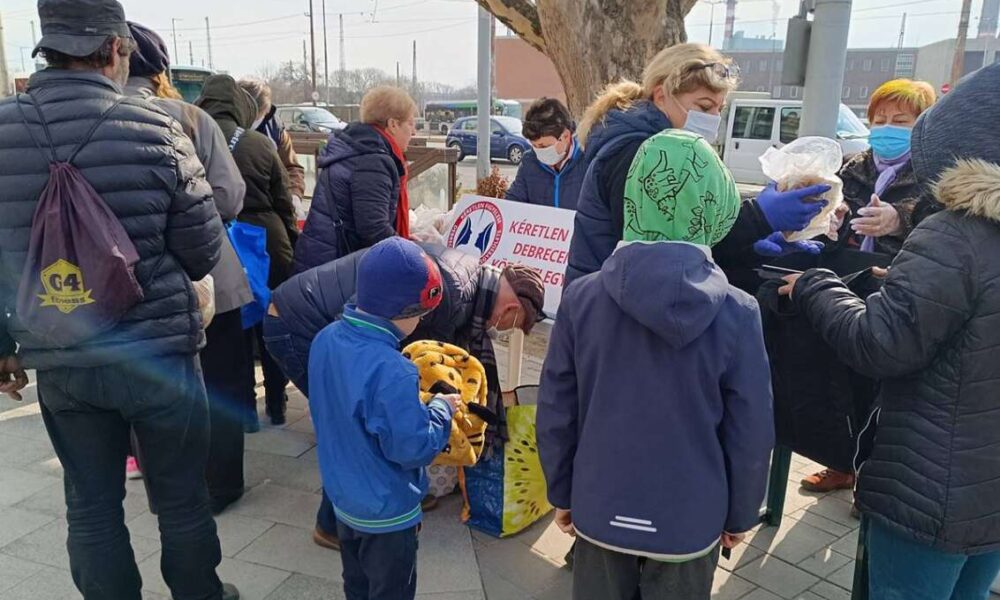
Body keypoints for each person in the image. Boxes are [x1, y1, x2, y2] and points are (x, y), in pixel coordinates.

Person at [0, 1, 238, 598]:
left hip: (62, 359)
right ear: (113, 49)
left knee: (90, 505)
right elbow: (203, 252)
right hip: (158, 353)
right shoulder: (158, 128)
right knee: (182, 499)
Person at [778, 62, 1000, 600]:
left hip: (930, 488)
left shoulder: (954, 233)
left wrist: (814, 286)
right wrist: (897, 285)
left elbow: (880, 345)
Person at [539, 129, 774, 600]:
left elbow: (557, 409)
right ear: (715, 203)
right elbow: (750, 430)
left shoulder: (581, 300)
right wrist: (741, 512)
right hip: (690, 515)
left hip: (601, 502)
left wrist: (562, 491)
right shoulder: (737, 311)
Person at [264, 243, 544, 549]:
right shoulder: (449, 298)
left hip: (316, 319)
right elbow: (406, 379)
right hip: (296, 324)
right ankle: (336, 525)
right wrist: (440, 413)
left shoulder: (470, 273)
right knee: (346, 428)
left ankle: (376, 502)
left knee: (352, 423)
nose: (502, 330)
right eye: (512, 327)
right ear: (511, 311)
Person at [565, 43, 830, 289]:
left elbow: (696, 244)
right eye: (704, 107)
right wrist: (758, 218)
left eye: (719, 109)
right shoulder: (640, 153)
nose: (713, 119)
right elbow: (669, 250)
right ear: (661, 96)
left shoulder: (668, 151)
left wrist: (752, 245)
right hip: (612, 308)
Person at [125, 22, 255, 513]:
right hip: (207, 277)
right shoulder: (191, 119)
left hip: (129, 284)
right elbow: (230, 195)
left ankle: (168, 486)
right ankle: (222, 484)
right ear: (161, 70)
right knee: (220, 378)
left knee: (151, 386)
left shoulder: (93, 120)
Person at [798, 78, 936, 495]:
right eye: (880, 119)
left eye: (901, 120)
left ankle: (871, 475)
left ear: (923, 125)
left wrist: (900, 219)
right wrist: (831, 218)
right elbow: (829, 216)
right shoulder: (854, 166)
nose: (887, 128)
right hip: (848, 279)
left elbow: (942, 225)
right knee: (838, 377)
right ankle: (841, 463)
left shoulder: (934, 170)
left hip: (896, 287)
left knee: (882, 388)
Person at [309, 237, 462, 600]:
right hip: (388, 516)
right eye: (422, 314)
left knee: (357, 585)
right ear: (405, 311)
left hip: (344, 501)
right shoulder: (393, 370)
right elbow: (412, 447)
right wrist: (441, 409)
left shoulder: (325, 339)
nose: (422, 321)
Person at [196, 75, 299, 430]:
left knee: (230, 331)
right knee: (271, 319)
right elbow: (283, 201)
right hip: (265, 242)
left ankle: (243, 413)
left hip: (215, 243)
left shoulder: (190, 138)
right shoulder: (259, 143)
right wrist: (290, 238)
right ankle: (277, 402)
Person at [293, 86, 419, 273]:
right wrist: (410, 252)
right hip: (334, 274)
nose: (414, 132)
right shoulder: (373, 160)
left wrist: (402, 240)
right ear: (393, 124)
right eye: (410, 123)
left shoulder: (355, 147)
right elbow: (373, 230)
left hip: (320, 260)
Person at [240, 78, 308, 220]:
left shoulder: (275, 129)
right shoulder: (221, 126)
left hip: (270, 208)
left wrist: (295, 196)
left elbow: (292, 167)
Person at [505, 97, 586, 209]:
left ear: (565, 136)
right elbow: (513, 202)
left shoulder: (588, 161)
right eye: (534, 146)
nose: (539, 152)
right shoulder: (529, 162)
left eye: (544, 146)